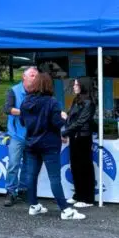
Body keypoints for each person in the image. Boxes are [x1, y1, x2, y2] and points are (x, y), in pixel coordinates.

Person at [20, 73, 85, 220]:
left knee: (31, 176)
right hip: (49, 145)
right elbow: (57, 123)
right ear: (49, 85)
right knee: (54, 177)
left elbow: (23, 123)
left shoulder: (25, 102)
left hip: (31, 143)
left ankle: (33, 205)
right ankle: (65, 210)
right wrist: (63, 117)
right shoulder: (51, 102)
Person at [2, 67, 39, 207]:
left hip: (32, 134)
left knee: (28, 165)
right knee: (13, 164)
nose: (35, 78)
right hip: (16, 134)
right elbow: (7, 108)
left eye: (36, 76)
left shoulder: (38, 92)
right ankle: (10, 192)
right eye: (32, 75)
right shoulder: (13, 90)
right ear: (24, 77)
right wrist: (25, 112)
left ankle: (23, 190)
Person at [63, 79, 96, 208]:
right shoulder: (77, 100)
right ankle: (78, 194)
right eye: (74, 84)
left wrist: (65, 132)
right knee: (75, 167)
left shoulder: (89, 103)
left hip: (83, 137)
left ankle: (87, 198)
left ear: (83, 86)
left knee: (84, 167)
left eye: (77, 84)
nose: (74, 86)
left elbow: (81, 121)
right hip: (75, 137)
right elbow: (72, 117)